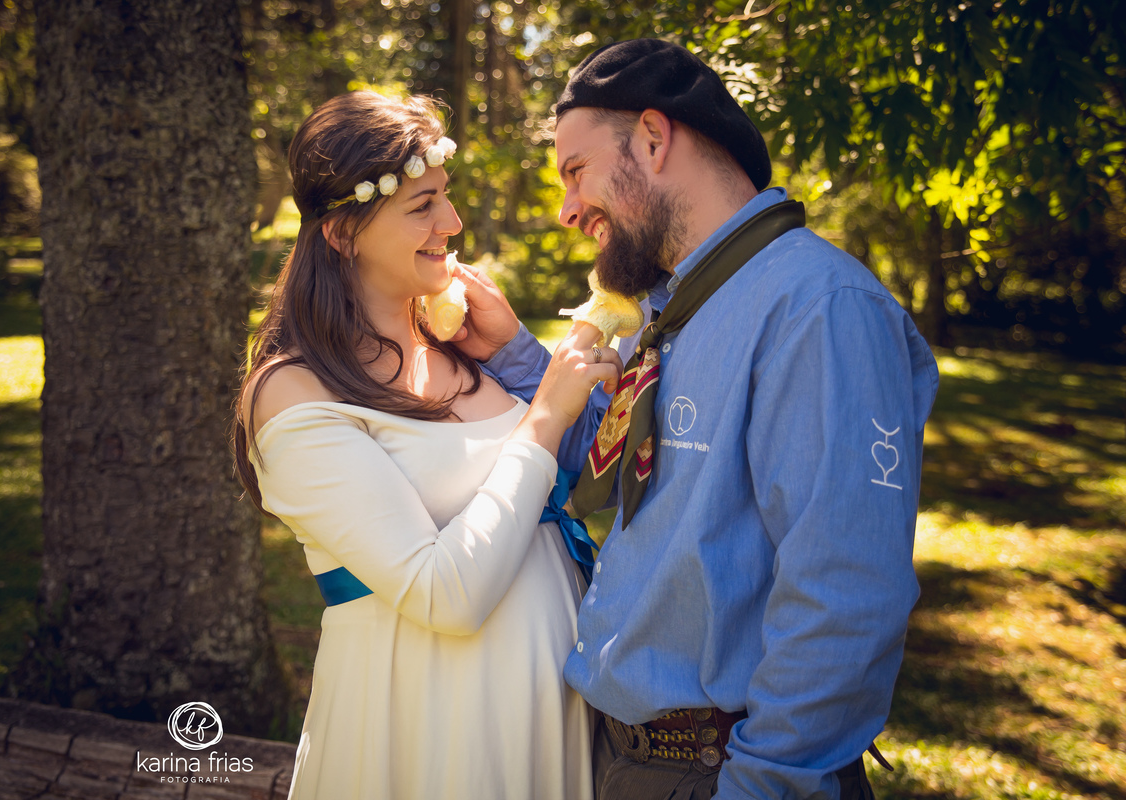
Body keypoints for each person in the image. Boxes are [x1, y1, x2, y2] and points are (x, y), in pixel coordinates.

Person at [457, 40, 940, 800]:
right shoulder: (673, 309)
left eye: (575, 172)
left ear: (653, 139)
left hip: (725, 777)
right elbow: (619, 472)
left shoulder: (820, 309)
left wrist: (762, 787)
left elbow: (844, 598)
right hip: (628, 765)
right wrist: (515, 354)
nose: (566, 209)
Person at [232, 92, 620, 800]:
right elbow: (444, 595)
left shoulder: (462, 345)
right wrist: (543, 417)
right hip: (436, 731)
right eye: (421, 207)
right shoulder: (296, 395)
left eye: (445, 196)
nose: (452, 223)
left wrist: (511, 351)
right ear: (343, 234)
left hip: (552, 722)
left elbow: (595, 481)